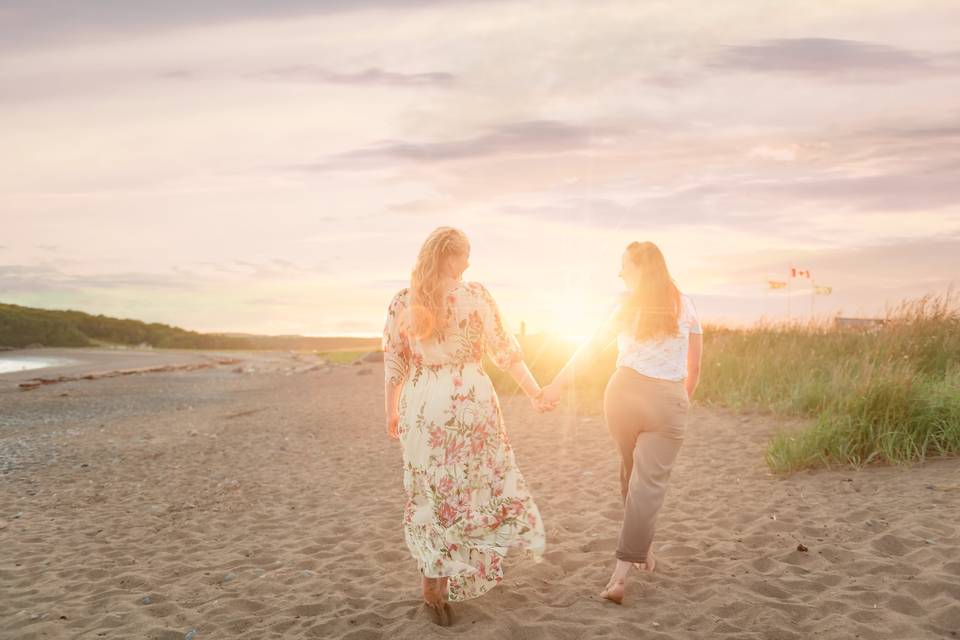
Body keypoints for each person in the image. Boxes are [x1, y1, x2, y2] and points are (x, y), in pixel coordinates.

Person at [382, 226, 548, 625]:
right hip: (469, 397)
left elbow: (394, 365)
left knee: (429, 489)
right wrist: (536, 392)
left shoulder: (403, 301)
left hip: (422, 400)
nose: (469, 262)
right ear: (449, 257)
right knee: (471, 486)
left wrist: (391, 411)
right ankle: (455, 567)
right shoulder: (476, 296)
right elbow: (506, 353)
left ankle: (432, 577)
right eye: (465, 254)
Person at [540, 240, 702, 604]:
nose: (620, 274)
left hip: (622, 395)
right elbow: (695, 368)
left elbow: (588, 350)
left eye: (623, 268)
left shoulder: (623, 306)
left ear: (639, 269)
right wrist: (678, 401)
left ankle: (642, 550)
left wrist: (556, 386)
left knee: (632, 473)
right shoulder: (686, 305)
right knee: (648, 485)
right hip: (668, 397)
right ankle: (621, 573)